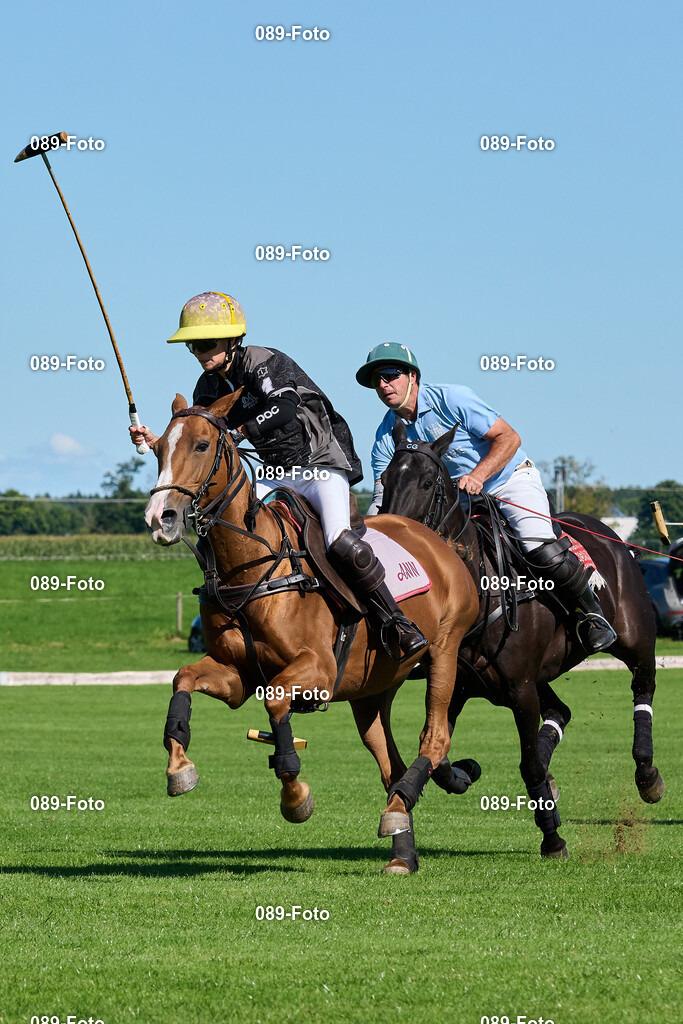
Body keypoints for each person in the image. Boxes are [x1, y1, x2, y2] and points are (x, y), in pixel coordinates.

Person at [131, 292, 427, 660]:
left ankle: (396, 621)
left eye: (205, 342)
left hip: (317, 464)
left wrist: (239, 432)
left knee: (337, 539)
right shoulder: (206, 388)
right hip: (271, 473)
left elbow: (285, 406)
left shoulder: (263, 361)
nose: (199, 351)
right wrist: (159, 440)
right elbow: (198, 440)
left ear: (231, 339)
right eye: (192, 344)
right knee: (227, 530)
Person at [356, 342, 617, 654]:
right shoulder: (386, 434)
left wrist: (479, 475)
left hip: (508, 480)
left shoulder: (451, 398)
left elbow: (509, 437)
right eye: (376, 381)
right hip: (458, 501)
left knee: (536, 545)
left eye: (390, 375)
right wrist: (369, 536)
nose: (384, 386)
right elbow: (382, 494)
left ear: (412, 375)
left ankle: (591, 614)